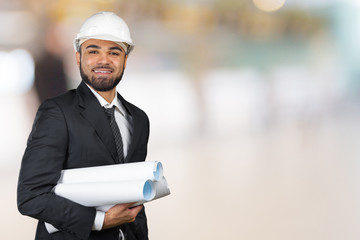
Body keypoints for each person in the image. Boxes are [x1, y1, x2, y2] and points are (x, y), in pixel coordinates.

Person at [17, 12, 149, 240]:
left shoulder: (138, 119)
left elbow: (134, 202)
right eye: (93, 51)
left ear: (125, 59)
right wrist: (99, 221)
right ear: (78, 58)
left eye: (114, 52)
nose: (104, 60)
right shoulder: (56, 113)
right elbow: (31, 196)